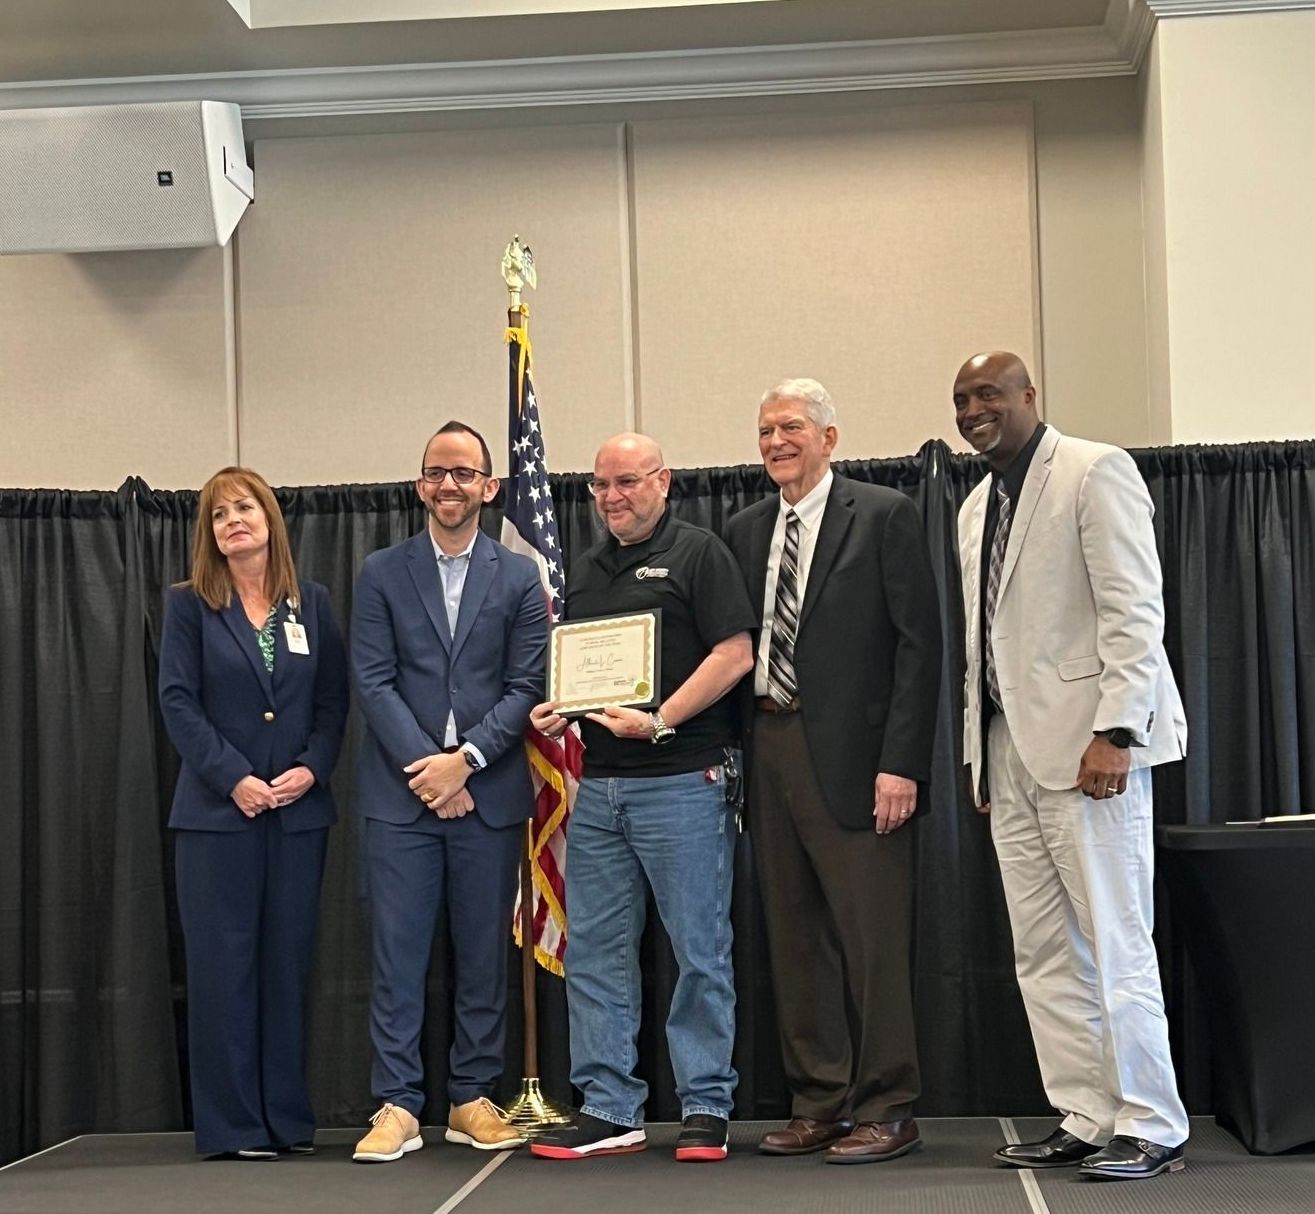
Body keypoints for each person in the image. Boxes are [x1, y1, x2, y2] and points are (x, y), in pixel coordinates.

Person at [953, 351, 1189, 1181]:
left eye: (988, 394)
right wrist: (983, 757)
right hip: (1008, 750)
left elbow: (1134, 609)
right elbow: (988, 642)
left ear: (1027, 395)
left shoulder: (1095, 470)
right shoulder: (977, 503)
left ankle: (1153, 1119)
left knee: (1115, 939)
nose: (974, 410)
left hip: (1092, 747)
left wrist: (1117, 732)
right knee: (1043, 949)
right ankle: (1088, 1112)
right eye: (961, 400)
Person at [724, 378, 942, 1164]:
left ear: (829, 436)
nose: (775, 442)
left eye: (789, 427)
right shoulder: (745, 529)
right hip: (770, 747)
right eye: (763, 430)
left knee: (871, 938)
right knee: (794, 937)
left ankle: (888, 1105)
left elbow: (920, 647)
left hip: (861, 760)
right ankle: (818, 1100)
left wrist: (901, 765)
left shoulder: (883, 514)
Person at [528, 433, 755, 1163]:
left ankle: (704, 1104)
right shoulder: (587, 570)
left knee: (697, 950)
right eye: (599, 485)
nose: (612, 497)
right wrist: (560, 706)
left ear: (663, 482)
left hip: (683, 782)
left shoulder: (699, 554)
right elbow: (591, 672)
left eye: (626, 481)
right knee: (595, 951)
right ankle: (609, 1106)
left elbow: (735, 654)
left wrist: (661, 719)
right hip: (600, 788)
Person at [350, 421, 548, 1163]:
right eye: (437, 472)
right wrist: (432, 775)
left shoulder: (520, 577)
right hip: (401, 801)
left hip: (487, 796)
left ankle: (469, 1097)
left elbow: (528, 684)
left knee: (480, 959)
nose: (449, 485)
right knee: (398, 958)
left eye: (464, 473)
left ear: (489, 487)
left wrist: (463, 762)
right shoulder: (380, 573)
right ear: (419, 484)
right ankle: (398, 1104)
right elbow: (372, 682)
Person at [159, 466, 349, 1160]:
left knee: (286, 965)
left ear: (270, 520)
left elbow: (333, 703)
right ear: (209, 534)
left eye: (244, 508)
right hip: (217, 819)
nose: (233, 520)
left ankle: (287, 1120)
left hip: (297, 817)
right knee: (223, 968)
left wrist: (312, 767)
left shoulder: (313, 605)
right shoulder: (189, 607)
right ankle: (234, 1126)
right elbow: (177, 702)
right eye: (218, 514)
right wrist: (233, 777)